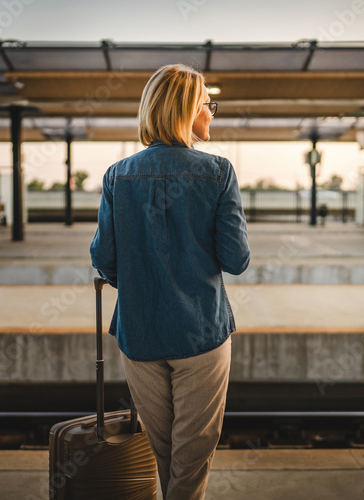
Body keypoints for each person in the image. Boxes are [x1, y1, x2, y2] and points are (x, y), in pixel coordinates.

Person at [90, 63, 250, 500]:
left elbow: (103, 259)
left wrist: (144, 280)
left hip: (140, 336)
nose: (211, 114)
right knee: (192, 457)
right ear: (185, 111)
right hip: (202, 333)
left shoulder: (117, 176)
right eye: (207, 105)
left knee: (164, 453)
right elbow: (237, 260)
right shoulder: (219, 172)